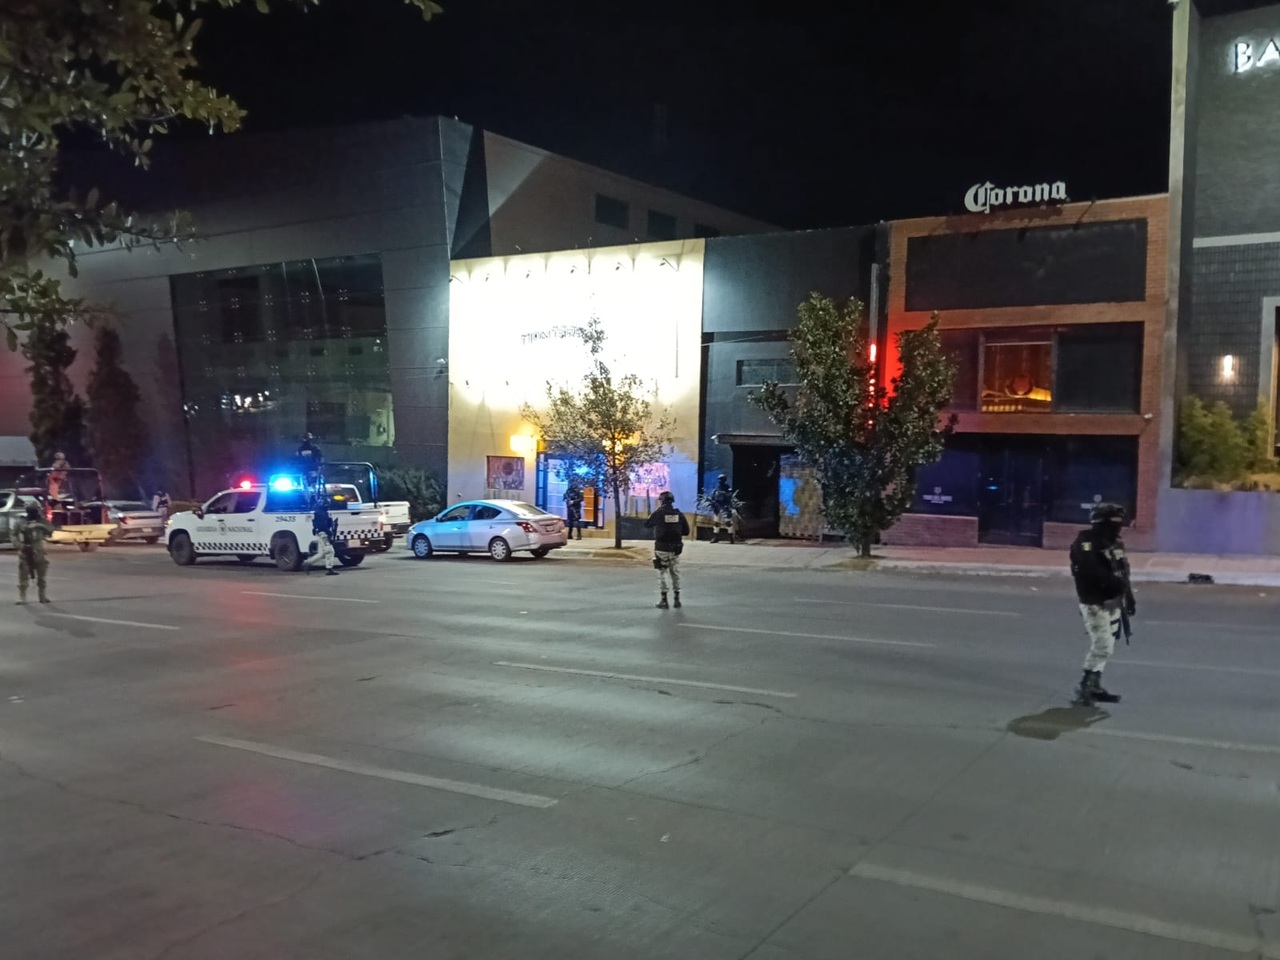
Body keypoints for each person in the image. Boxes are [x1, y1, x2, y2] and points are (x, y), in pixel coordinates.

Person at [1068, 502, 1136, 706]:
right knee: (1103, 645)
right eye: (1114, 522)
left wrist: (1129, 596)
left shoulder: (1115, 543)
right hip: (1094, 602)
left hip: (1113, 602)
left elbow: (1123, 570)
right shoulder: (1085, 542)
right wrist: (1115, 583)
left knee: (1107, 644)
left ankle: (1095, 685)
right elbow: (1090, 569)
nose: (1118, 526)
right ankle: (1085, 686)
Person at [644, 490, 689, 609]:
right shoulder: (679, 514)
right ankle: (677, 600)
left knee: (662, 572)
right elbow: (686, 531)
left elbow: (647, 524)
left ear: (662, 501)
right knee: (675, 572)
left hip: (661, 548)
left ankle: (664, 600)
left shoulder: (658, 513)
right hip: (676, 548)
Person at [14, 503, 53, 605]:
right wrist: (20, 545)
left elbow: (51, 530)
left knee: (41, 576)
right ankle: (22, 596)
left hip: (39, 549)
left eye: (34, 510)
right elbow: (13, 534)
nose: (33, 512)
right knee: (23, 575)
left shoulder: (42, 521)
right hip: (25, 549)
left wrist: (40, 525)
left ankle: (42, 596)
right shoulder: (21, 521)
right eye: (30, 510)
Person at [305, 503, 340, 576]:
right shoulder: (322, 514)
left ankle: (308, 563)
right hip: (323, 534)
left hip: (321, 533)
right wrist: (329, 534)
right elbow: (323, 526)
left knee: (322, 553)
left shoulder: (319, 512)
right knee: (330, 551)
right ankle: (329, 569)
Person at [709, 474, 734, 544]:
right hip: (717, 507)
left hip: (725, 506)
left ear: (724, 480)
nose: (720, 481)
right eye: (719, 479)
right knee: (716, 522)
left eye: (721, 479)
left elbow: (730, 495)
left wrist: (724, 494)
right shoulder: (717, 487)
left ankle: (731, 537)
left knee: (728, 522)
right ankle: (715, 537)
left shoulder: (727, 487)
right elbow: (713, 497)